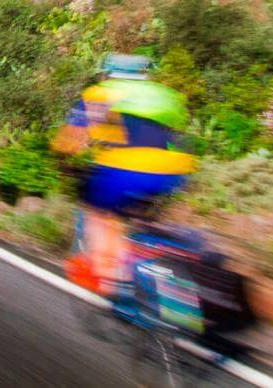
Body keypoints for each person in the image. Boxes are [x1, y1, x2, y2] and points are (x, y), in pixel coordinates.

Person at [53, 53, 194, 301]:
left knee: (97, 212)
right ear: (144, 73)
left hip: (124, 169)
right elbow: (177, 137)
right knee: (141, 218)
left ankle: (112, 278)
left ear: (109, 72)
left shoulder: (101, 92)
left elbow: (71, 138)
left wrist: (61, 159)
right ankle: (150, 269)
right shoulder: (164, 94)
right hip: (173, 170)